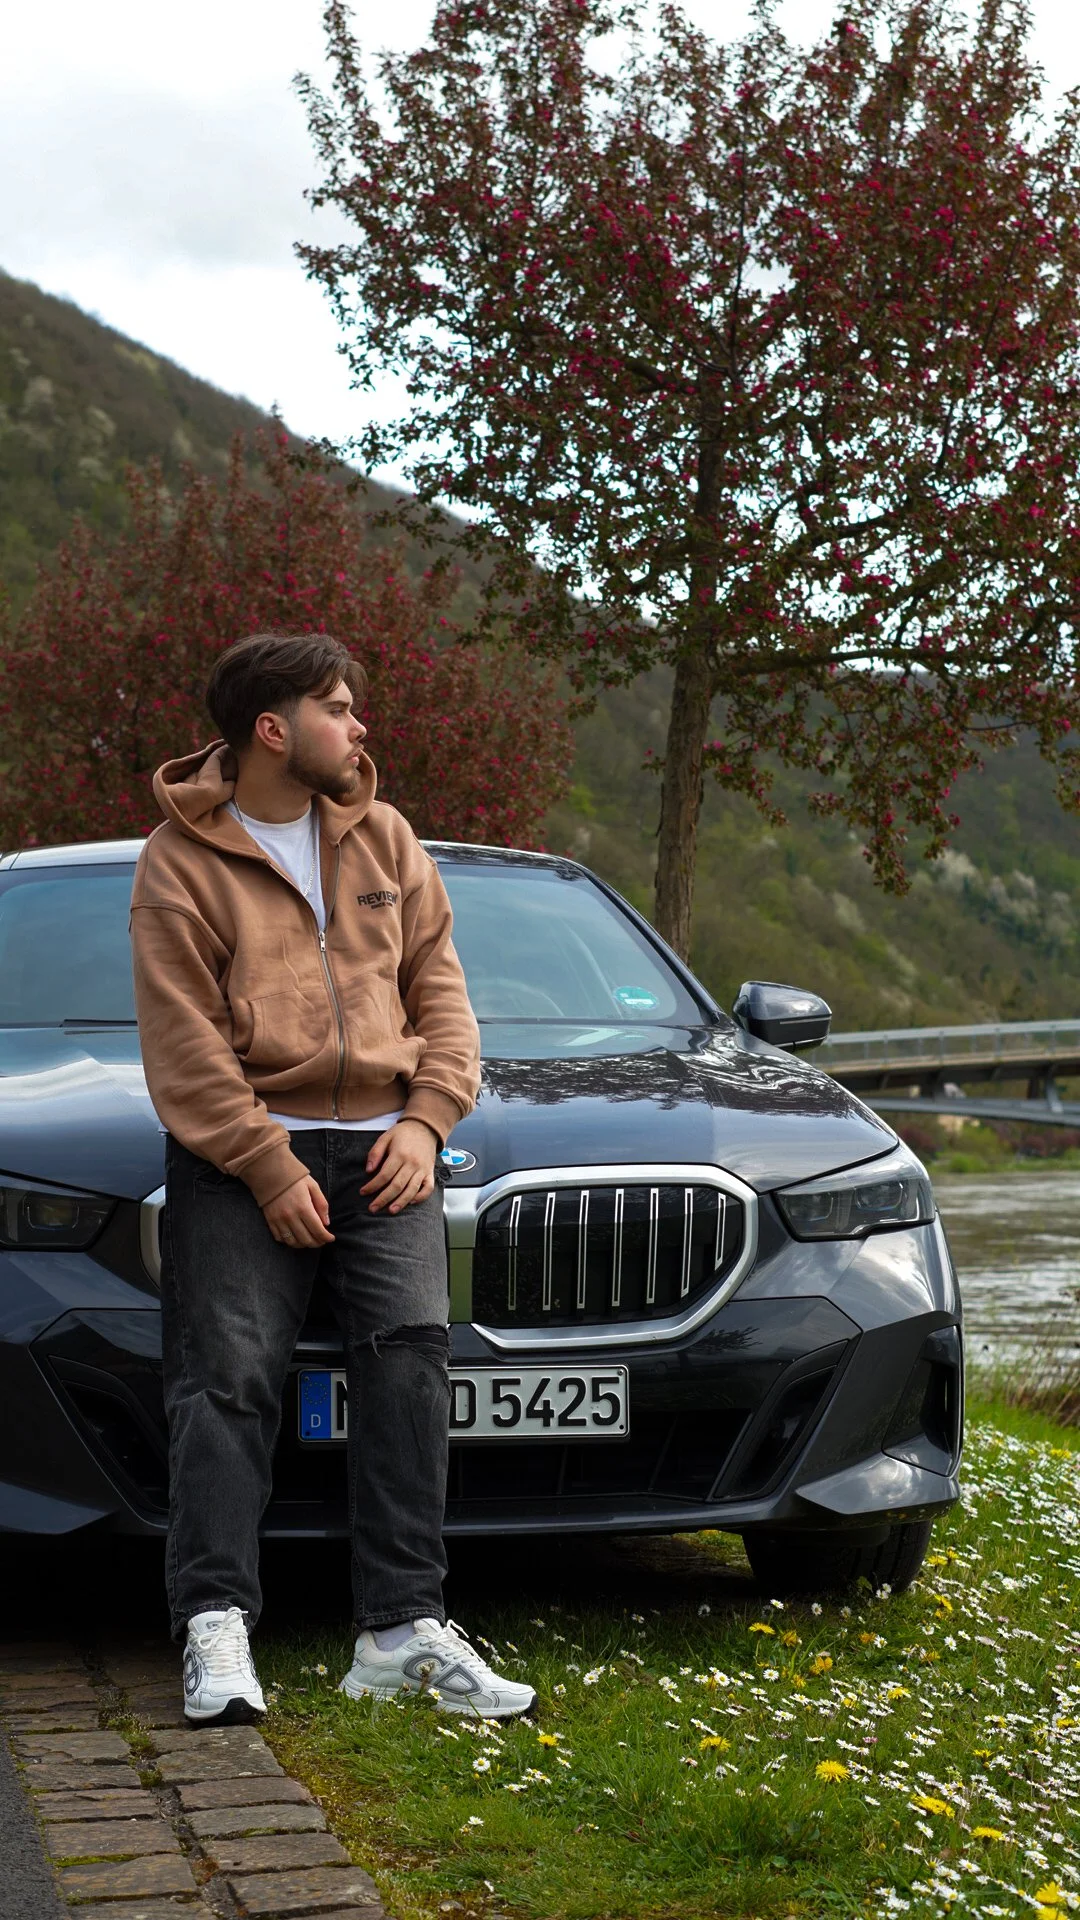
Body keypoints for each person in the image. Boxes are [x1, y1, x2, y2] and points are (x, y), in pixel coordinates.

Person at [130, 631, 536, 1726]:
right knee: (227, 1379)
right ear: (275, 728)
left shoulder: (388, 840)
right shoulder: (179, 862)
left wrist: (426, 1121)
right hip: (238, 1158)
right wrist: (265, 1165)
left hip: (388, 1152)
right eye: (340, 709)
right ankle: (216, 1629)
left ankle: (400, 1632)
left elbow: (442, 999)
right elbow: (184, 1048)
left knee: (408, 1364)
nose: (360, 728)